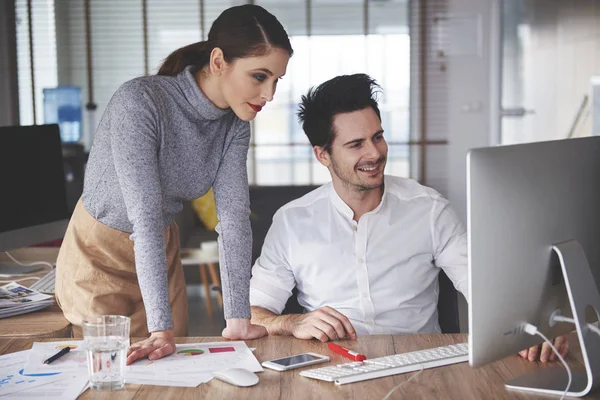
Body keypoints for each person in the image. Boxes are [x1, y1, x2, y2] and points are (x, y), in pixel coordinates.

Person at [249, 74, 568, 363]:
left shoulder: (428, 209)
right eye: (356, 144)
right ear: (323, 155)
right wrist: (293, 322)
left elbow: (483, 286)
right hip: (331, 365)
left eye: (377, 137)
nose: (374, 153)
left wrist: (533, 322)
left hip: (421, 363)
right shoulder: (292, 222)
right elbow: (251, 315)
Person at [55, 4, 292, 365]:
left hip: (159, 250)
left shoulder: (235, 124)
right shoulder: (140, 101)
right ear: (217, 62)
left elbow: (232, 221)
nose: (269, 94)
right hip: (97, 256)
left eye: (277, 80)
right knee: (109, 373)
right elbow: (145, 217)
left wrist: (238, 319)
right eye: (260, 77)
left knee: (173, 371)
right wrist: (160, 329)